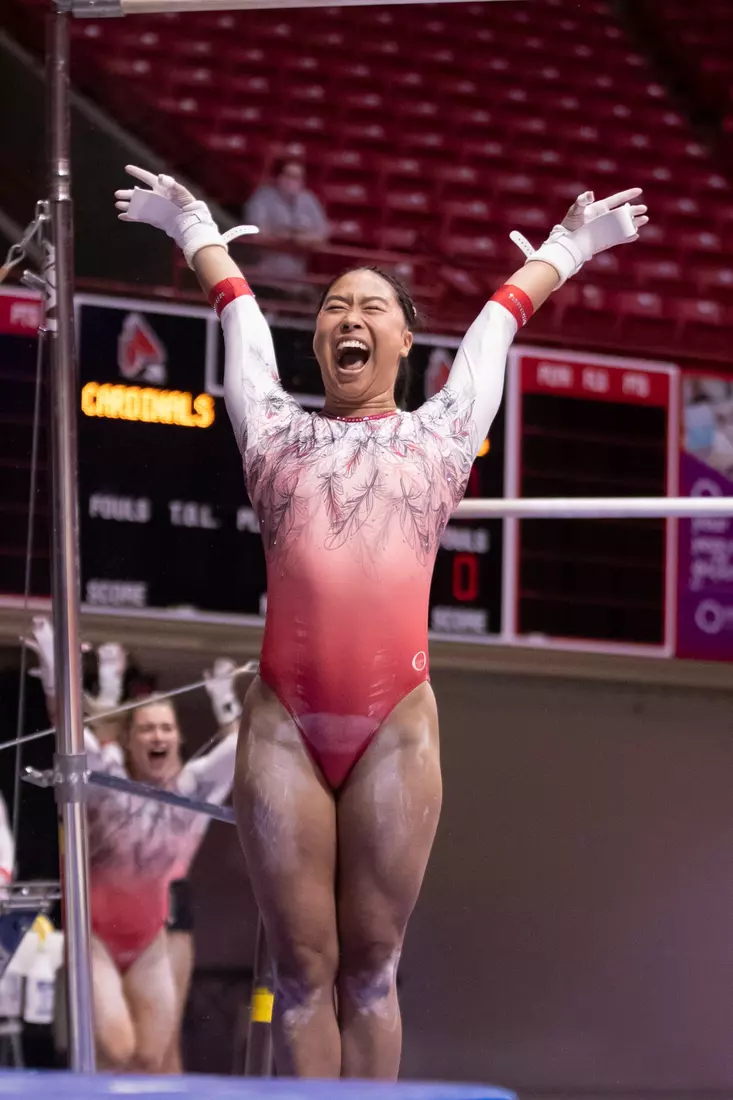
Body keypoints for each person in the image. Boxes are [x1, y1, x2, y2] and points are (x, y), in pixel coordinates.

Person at [114, 166, 648, 1079]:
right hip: (282, 719)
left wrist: (565, 247)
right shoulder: (273, 431)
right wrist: (194, 225)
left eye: (369, 306)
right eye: (330, 307)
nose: (346, 317)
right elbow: (240, 322)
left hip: (393, 720)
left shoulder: (441, 434)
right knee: (302, 972)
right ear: (316, 338)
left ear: (404, 336)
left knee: (369, 969)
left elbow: (495, 327)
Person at [26, 618, 244, 1073]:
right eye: (147, 729)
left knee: (152, 1056)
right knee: (118, 1050)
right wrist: (52, 670)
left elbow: (241, 748)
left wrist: (225, 701)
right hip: (94, 939)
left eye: (166, 728)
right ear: (130, 741)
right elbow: (67, 729)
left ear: (180, 738)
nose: (158, 737)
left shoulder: (193, 791)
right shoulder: (107, 783)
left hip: (150, 940)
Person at [244, 157, 329, 282]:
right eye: (288, 175)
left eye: (297, 177)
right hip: (263, 276)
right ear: (278, 177)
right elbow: (257, 235)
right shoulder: (262, 198)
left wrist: (294, 239)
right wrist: (290, 239)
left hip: (297, 278)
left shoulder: (309, 199)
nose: (292, 181)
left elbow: (322, 236)